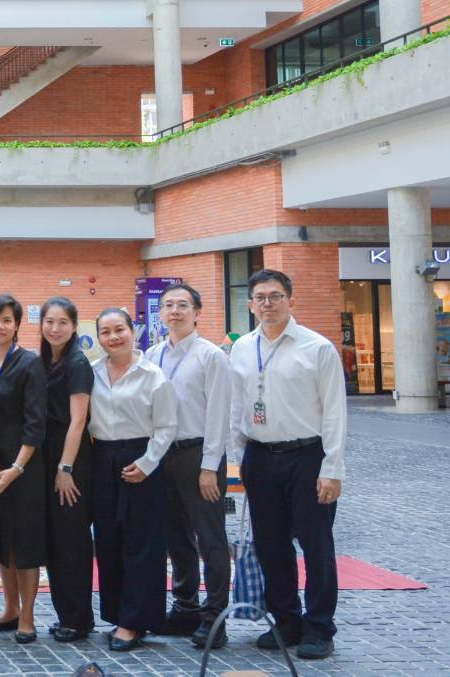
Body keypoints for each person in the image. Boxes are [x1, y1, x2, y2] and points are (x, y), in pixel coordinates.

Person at [228, 268, 346, 661]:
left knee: (316, 546)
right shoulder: (243, 347)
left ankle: (319, 627)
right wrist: (236, 455)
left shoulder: (317, 348)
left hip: (307, 457)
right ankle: (287, 620)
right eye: (260, 297)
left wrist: (333, 468)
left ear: (290, 300)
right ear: (250, 304)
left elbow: (334, 412)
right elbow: (237, 406)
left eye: (275, 296)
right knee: (271, 546)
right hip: (260, 457)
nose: (268, 303)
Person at [145, 282, 232, 650]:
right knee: (175, 537)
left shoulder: (211, 356)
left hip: (199, 455)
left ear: (198, 312)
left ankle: (215, 618)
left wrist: (210, 466)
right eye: (168, 305)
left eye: (183, 305)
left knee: (210, 540)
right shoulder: (151, 354)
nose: (175, 311)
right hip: (163, 455)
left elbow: (219, 415)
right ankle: (185, 609)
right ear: (161, 314)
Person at [89, 307, 176, 653]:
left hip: (142, 457)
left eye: (120, 329)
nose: (113, 337)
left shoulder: (153, 375)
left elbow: (167, 426)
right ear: (98, 337)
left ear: (133, 331)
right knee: (108, 540)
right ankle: (116, 613)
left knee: (142, 542)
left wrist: (147, 462)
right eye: (106, 332)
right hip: (102, 459)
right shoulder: (92, 372)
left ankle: (134, 621)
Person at [0, 294, 46, 644]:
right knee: (2, 541)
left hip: (23, 468)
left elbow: (36, 423)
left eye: (5, 320)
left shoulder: (29, 363)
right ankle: (9, 609)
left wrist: (17, 467)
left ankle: (28, 617)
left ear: (17, 324)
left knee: (25, 542)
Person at [39, 296, 96, 642]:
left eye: (62, 322)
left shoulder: (77, 364)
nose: (55, 328)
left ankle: (78, 618)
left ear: (74, 326)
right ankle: (67, 615)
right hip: (46, 454)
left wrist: (65, 468)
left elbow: (78, 422)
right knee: (55, 540)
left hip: (69, 458)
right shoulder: (45, 361)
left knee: (72, 541)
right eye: (49, 321)